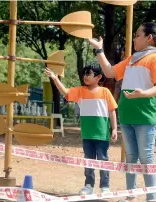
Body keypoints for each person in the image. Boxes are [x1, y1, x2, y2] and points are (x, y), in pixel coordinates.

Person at [88, 22, 156, 202]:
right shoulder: (131, 59)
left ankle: (151, 198)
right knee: (131, 157)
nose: (134, 38)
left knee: (146, 158)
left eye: (137, 35)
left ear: (149, 38)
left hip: (145, 117)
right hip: (126, 116)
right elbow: (109, 72)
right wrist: (99, 50)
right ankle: (130, 195)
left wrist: (144, 93)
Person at [45, 64, 118, 195]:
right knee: (88, 160)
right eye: (84, 73)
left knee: (103, 160)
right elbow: (66, 93)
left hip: (101, 135)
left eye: (88, 74)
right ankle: (89, 185)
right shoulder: (80, 91)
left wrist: (114, 129)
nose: (85, 76)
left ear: (99, 77)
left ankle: (105, 186)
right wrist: (55, 79)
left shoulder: (105, 92)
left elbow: (112, 111)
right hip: (87, 134)